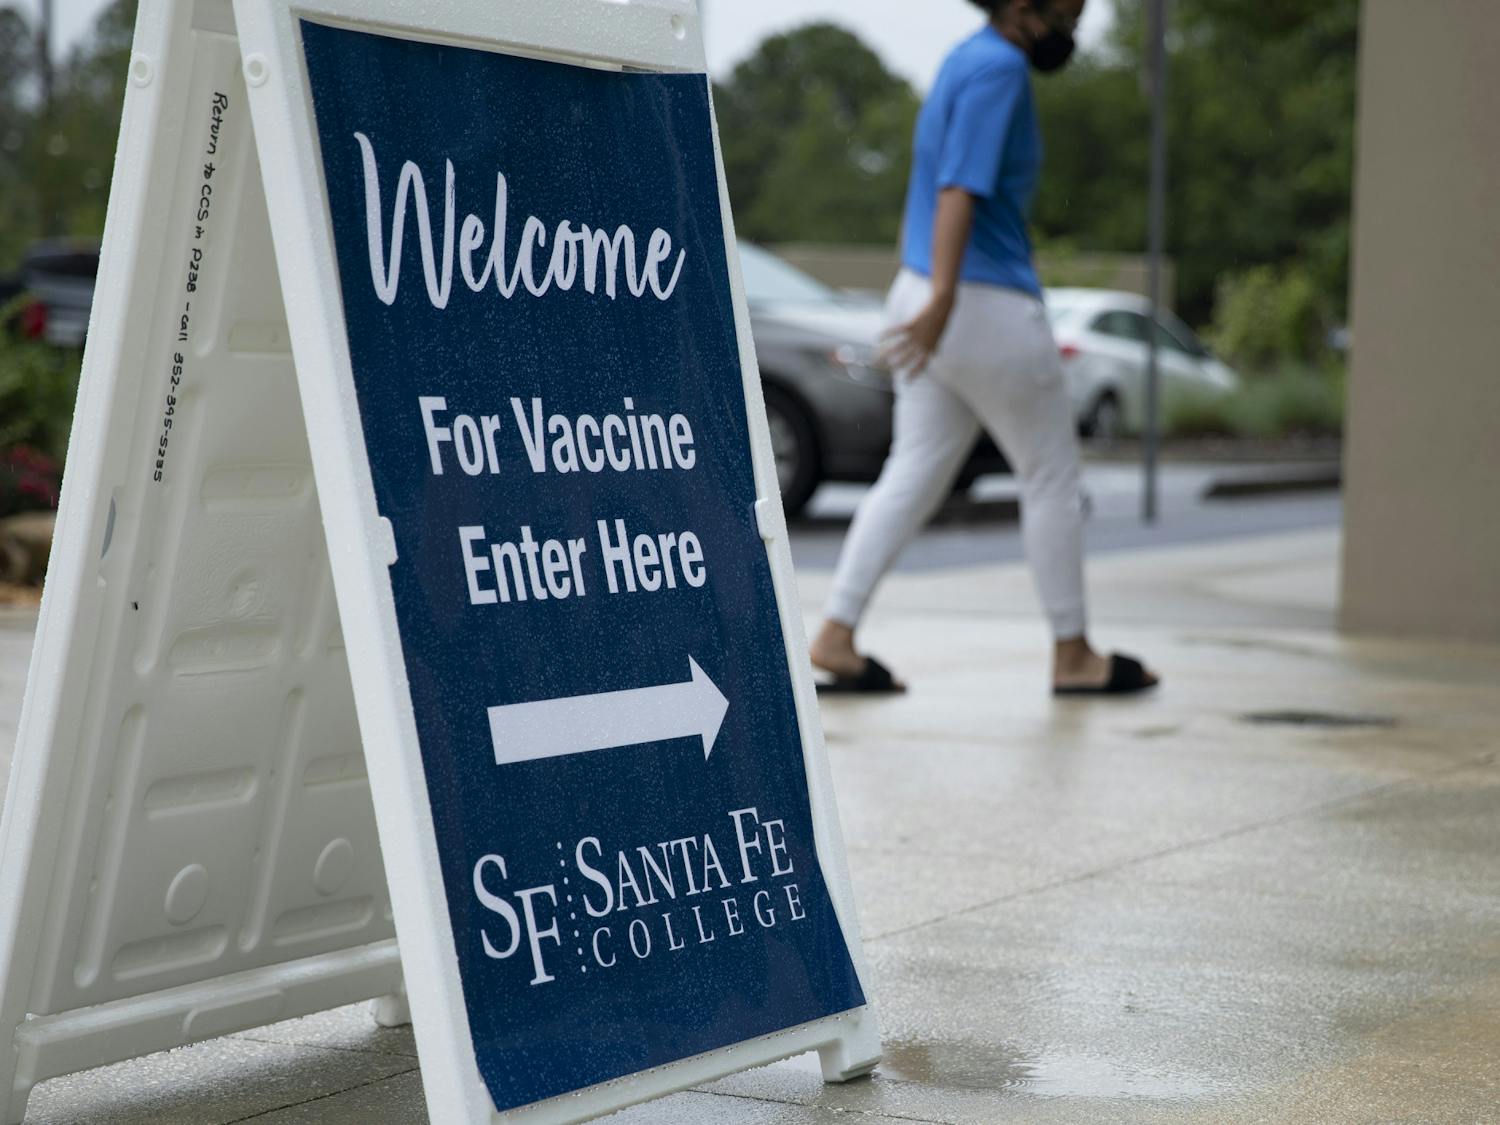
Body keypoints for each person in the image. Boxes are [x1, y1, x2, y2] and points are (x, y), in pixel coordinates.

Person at [809, 0, 1159, 696]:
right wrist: (944, 299)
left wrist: (932, 296)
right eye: (1069, 7)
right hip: (976, 297)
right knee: (1051, 474)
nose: (1077, 19)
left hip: (922, 287)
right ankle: (1073, 653)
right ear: (1025, 7)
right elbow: (958, 189)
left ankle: (837, 632)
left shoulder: (964, 57)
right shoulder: (1000, 69)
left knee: (912, 470)